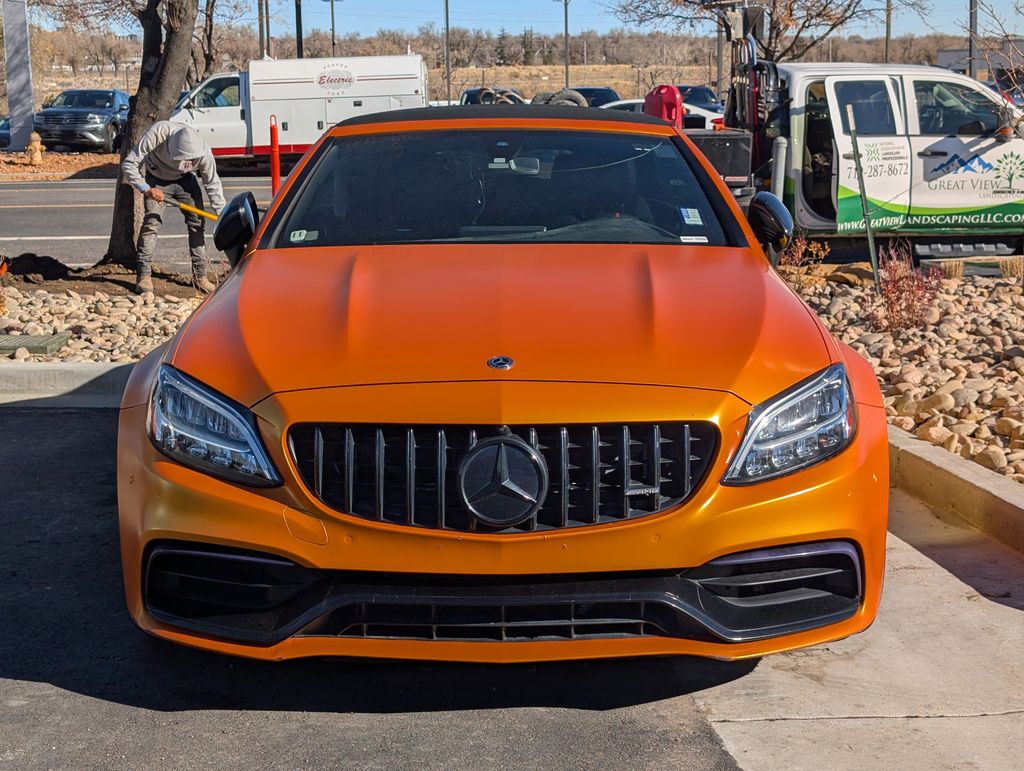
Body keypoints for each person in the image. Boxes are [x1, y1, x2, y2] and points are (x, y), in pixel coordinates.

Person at [121, 121, 226, 294]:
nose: (187, 162)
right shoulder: (158, 133)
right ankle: (144, 275)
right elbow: (129, 164)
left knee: (197, 225)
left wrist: (222, 213)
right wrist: (146, 188)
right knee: (151, 224)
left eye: (191, 160)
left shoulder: (203, 152)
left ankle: (200, 276)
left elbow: (212, 184)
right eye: (184, 159)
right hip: (156, 181)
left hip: (186, 182)